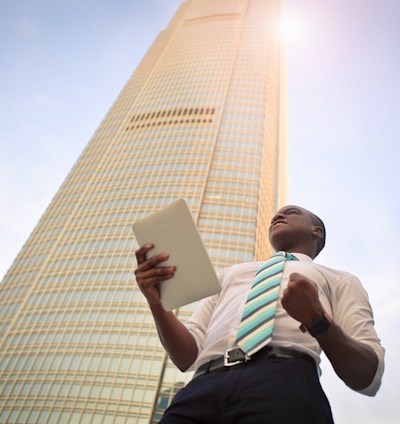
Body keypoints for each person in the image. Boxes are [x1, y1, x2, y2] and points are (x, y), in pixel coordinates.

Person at [135, 205, 384, 423]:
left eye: (291, 212)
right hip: (201, 387)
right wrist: (157, 304)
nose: (278, 215)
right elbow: (187, 356)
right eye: (276, 215)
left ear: (316, 231)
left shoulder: (340, 279)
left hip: (287, 384)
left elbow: (367, 376)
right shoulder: (230, 274)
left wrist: (317, 320)